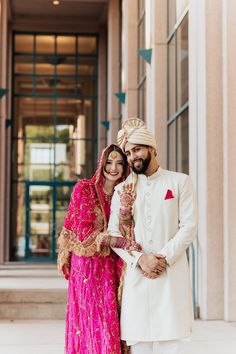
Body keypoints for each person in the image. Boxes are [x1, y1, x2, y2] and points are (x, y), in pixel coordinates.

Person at [108, 118, 198, 354]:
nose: (132, 156)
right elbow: (113, 233)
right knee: (141, 346)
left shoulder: (180, 182)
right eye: (128, 152)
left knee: (174, 343)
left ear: (152, 149)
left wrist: (162, 258)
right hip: (138, 278)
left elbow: (189, 226)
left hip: (171, 275)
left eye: (137, 149)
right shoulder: (122, 190)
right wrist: (140, 260)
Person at [57, 144, 141, 354]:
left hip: (114, 265)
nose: (114, 168)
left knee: (113, 319)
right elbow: (83, 233)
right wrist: (117, 242)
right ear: (101, 164)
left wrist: (125, 211)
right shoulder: (84, 189)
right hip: (87, 267)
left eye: (120, 163)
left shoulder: (127, 192)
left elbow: (131, 230)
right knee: (92, 320)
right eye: (109, 162)